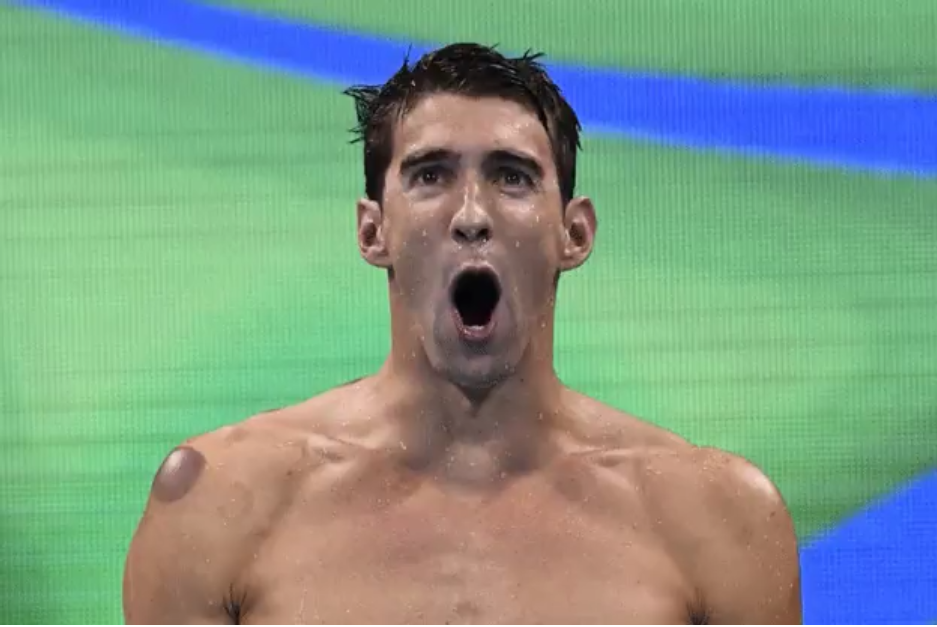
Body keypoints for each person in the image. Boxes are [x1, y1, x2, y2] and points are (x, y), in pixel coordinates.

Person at [122, 43, 802, 625]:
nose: (471, 214)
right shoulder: (218, 509)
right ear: (372, 230)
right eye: (430, 175)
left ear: (574, 232)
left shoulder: (720, 522)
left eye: (511, 176)